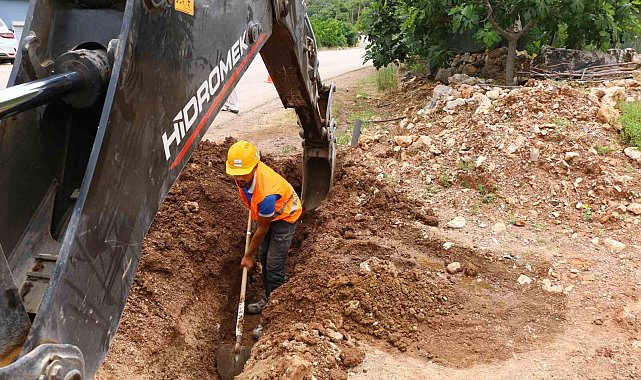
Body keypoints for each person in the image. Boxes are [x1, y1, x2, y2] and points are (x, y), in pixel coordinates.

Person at [225, 140, 302, 339]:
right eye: (235, 174)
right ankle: (268, 296)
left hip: (285, 217)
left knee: (275, 265)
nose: (239, 178)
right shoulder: (243, 177)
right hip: (268, 215)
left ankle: (272, 317)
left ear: (255, 167)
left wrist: (248, 255)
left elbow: (263, 227)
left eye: (243, 174)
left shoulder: (267, 193)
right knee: (265, 255)